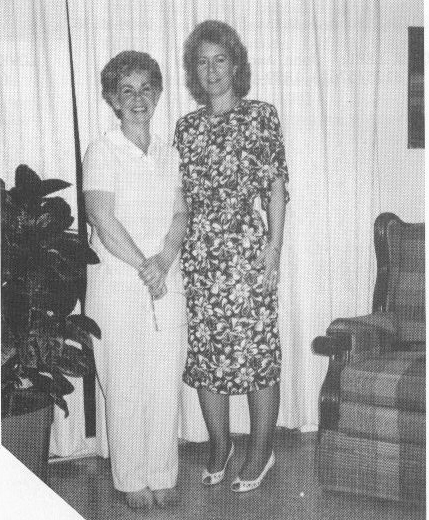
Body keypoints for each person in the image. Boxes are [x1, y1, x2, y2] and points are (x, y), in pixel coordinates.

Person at [174, 20, 289, 493]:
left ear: (235, 63)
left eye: (220, 59)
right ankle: (219, 445)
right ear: (194, 70)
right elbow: (179, 199)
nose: (212, 70)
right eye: (202, 62)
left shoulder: (261, 116)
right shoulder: (186, 128)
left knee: (257, 352)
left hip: (246, 252)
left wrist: (273, 250)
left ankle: (261, 450)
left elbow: (276, 188)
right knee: (208, 354)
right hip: (201, 255)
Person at [83, 51, 188, 510]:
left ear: (158, 93)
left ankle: (162, 473)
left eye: (146, 88)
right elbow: (101, 218)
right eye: (127, 90)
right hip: (119, 284)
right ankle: (130, 479)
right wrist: (146, 264)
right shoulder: (102, 149)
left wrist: (164, 259)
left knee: (164, 381)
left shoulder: (170, 153)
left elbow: (181, 215)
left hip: (166, 279)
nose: (138, 98)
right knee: (124, 382)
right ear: (113, 98)